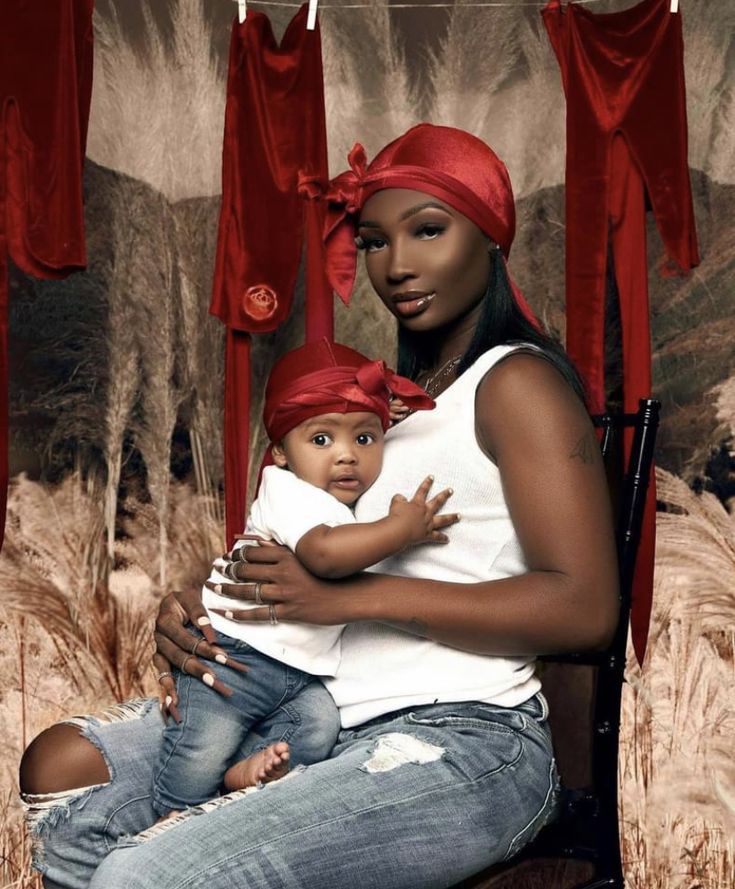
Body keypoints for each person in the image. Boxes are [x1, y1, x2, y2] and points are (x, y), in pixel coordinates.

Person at [20, 123, 619, 889]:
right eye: (373, 241)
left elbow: (585, 607)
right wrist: (207, 599)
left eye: (427, 231)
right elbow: (309, 537)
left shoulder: (514, 383)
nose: (397, 264)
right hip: (317, 710)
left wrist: (349, 592)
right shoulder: (382, 404)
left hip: (463, 739)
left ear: (489, 239)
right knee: (65, 776)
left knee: (145, 875)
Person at [153, 337, 450, 812]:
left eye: (364, 439)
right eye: (320, 440)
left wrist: (379, 416)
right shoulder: (288, 490)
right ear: (281, 453)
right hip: (235, 656)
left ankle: (241, 772)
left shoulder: (332, 497)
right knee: (194, 753)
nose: (347, 455)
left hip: (303, 675)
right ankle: (166, 824)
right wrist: (401, 529)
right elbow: (325, 555)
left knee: (315, 729)